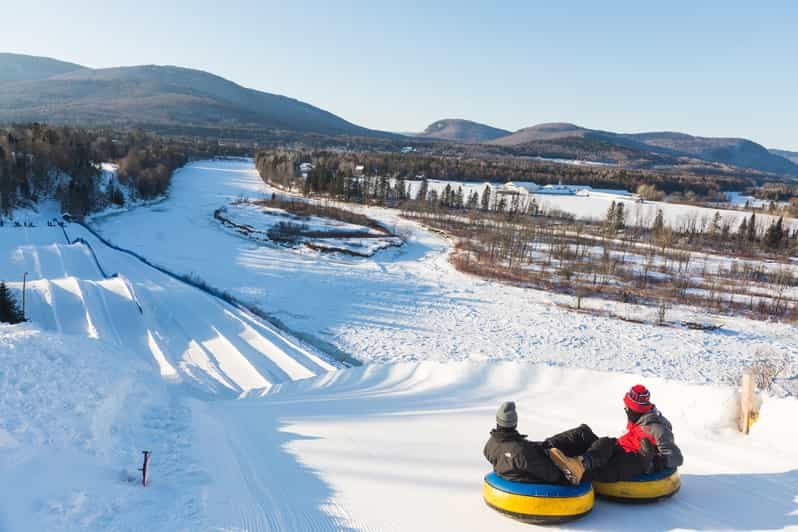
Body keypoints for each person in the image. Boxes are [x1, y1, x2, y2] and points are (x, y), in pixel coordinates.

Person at [547, 384, 684, 485]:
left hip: (631, 461)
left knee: (608, 457)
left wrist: (652, 461)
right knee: (585, 434)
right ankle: (544, 448)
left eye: (627, 408)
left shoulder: (657, 428)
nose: (625, 410)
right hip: (617, 449)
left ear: (635, 409)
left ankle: (578, 468)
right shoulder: (638, 421)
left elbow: (677, 458)